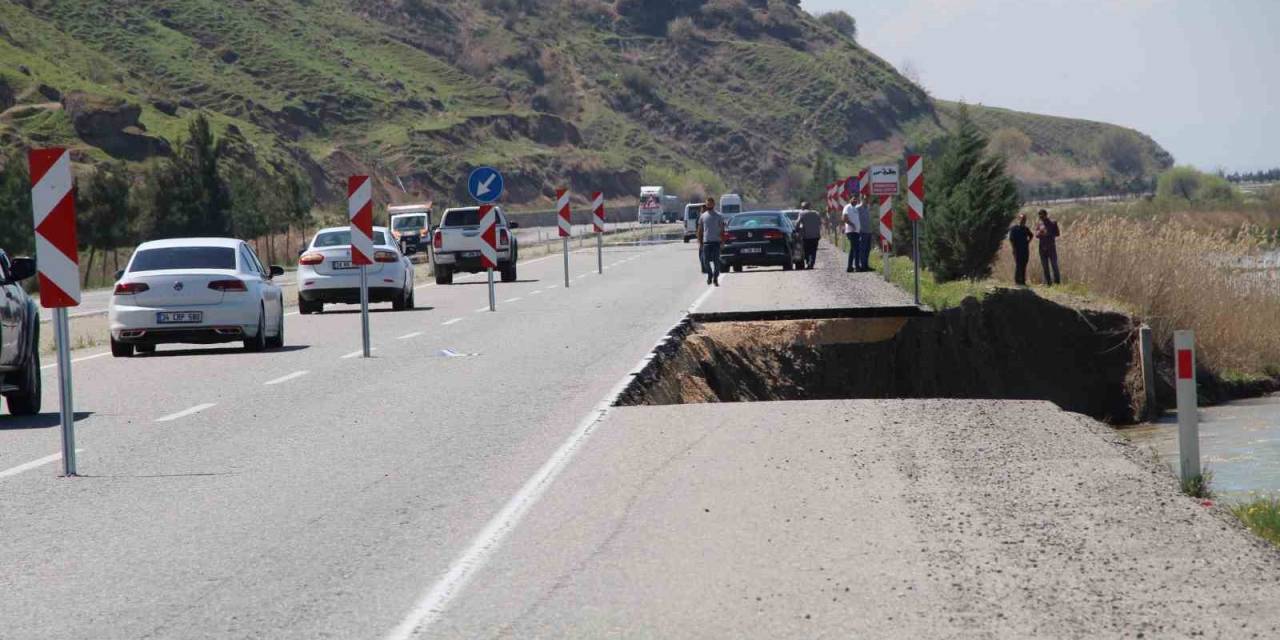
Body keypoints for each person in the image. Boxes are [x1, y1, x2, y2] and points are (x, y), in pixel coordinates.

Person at [697, 197, 726, 286]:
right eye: (707, 203)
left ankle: (715, 278)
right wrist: (700, 242)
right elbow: (700, 230)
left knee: (716, 262)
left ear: (713, 204)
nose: (708, 205)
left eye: (710, 203)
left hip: (716, 242)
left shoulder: (719, 216)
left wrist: (722, 242)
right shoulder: (703, 216)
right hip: (706, 243)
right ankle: (710, 274)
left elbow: (722, 230)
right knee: (705, 261)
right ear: (706, 204)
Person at [1034, 208, 1061, 285]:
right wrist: (1040, 233)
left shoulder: (1053, 223)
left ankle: (1057, 282)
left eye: (1042, 215)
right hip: (1042, 248)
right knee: (1045, 266)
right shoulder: (1039, 224)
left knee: (1054, 265)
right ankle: (1048, 282)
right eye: (1039, 216)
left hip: (1051, 247)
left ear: (1046, 215)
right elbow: (1036, 235)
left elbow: (1057, 234)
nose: (1040, 217)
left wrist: (1048, 233)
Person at [1008, 213, 1033, 286]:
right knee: (1018, 265)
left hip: (1025, 250)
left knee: (1024, 265)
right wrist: (1013, 249)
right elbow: (1011, 239)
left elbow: (1031, 235)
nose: (1023, 221)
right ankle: (1017, 281)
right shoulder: (1014, 228)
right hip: (1017, 250)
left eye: (1024, 219)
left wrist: (1028, 242)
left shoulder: (1026, 228)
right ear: (1019, 219)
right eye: (1022, 219)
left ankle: (1023, 281)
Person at [797, 205, 823, 269]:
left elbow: (798, 223)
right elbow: (820, 223)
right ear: (809, 207)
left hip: (806, 236)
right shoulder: (816, 213)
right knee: (813, 250)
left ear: (802, 208)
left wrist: (797, 230)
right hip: (815, 235)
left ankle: (808, 262)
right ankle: (812, 263)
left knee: (806, 250)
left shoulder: (802, 213)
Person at [841, 197, 861, 272]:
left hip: (856, 231)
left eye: (856, 199)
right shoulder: (847, 207)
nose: (855, 200)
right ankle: (856, 266)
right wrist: (852, 224)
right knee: (856, 249)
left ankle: (850, 267)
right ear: (850, 200)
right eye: (853, 199)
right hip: (851, 231)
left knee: (853, 249)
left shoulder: (855, 208)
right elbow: (844, 218)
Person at [856, 194, 874, 272]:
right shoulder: (858, 208)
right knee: (862, 249)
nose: (867, 200)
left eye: (868, 199)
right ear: (862, 199)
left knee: (867, 249)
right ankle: (862, 265)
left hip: (869, 231)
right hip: (862, 231)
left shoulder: (869, 208)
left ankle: (866, 265)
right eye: (865, 199)